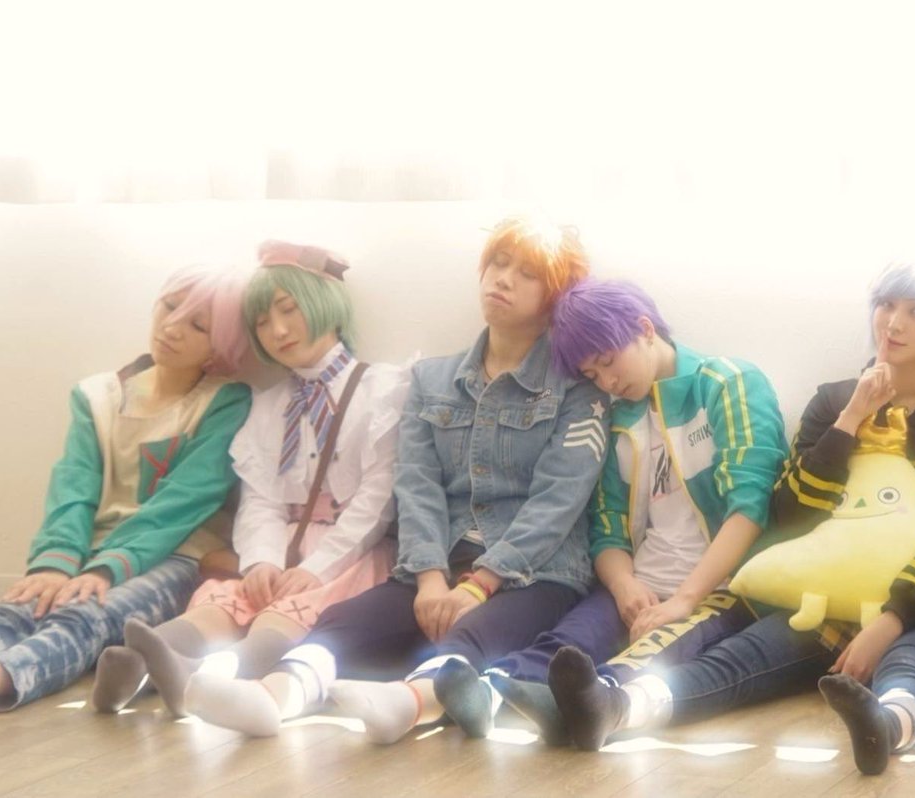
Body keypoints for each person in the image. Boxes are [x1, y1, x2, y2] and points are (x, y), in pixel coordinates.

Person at [545, 259, 915, 777]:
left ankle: (887, 728)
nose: (893, 323)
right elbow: (789, 514)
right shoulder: (832, 401)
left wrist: (892, 619)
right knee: (739, 659)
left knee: (909, 663)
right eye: (887, 305)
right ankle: (618, 707)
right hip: (824, 602)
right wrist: (850, 419)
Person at [183, 215, 609, 741]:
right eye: (498, 264)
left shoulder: (577, 391)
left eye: (528, 274)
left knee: (475, 633)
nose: (503, 279)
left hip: (537, 573)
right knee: (345, 623)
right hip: (438, 560)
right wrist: (429, 576)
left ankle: (407, 706)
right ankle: (274, 696)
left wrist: (480, 585)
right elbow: (416, 484)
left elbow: (558, 500)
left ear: (554, 298)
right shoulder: (431, 380)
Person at [433, 277, 787, 744]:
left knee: (654, 647)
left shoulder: (728, 383)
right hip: (644, 579)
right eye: (594, 375)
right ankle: (491, 693)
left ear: (645, 329)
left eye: (608, 362)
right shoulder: (620, 420)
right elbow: (607, 532)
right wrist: (623, 586)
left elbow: (750, 509)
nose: (608, 381)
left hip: (723, 587)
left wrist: (685, 598)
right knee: (568, 641)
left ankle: (586, 704)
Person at [91, 241, 412, 716]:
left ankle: (201, 677)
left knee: (283, 614)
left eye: (288, 309)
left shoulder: (382, 389)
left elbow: (376, 499)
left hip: (349, 554)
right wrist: (261, 560)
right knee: (229, 600)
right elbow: (260, 498)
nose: (277, 330)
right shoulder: (269, 403)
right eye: (261, 321)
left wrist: (316, 567)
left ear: (326, 303)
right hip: (281, 543)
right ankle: (140, 662)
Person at [0, 265, 251, 710]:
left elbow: (185, 500)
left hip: (178, 556)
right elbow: (73, 485)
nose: (172, 328)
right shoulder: (97, 396)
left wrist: (107, 569)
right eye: (169, 307)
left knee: (88, 615)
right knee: (21, 607)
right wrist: (55, 562)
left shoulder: (225, 401)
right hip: (90, 550)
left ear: (221, 345)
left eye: (197, 325)